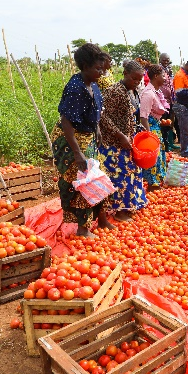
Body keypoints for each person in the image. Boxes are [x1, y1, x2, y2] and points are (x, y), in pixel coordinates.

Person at [51, 43, 114, 237]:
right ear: (85, 66)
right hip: (72, 140)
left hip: (88, 136)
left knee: (100, 177)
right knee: (84, 182)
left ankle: (102, 220)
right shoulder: (75, 88)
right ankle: (83, 228)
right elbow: (66, 121)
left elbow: (93, 111)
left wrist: (97, 130)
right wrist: (77, 153)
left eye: (102, 68)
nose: (101, 72)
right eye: (98, 68)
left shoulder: (92, 83)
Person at [99, 60, 148, 222]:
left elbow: (127, 115)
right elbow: (103, 116)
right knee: (120, 176)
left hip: (126, 141)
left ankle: (128, 206)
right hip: (113, 144)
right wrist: (120, 135)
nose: (136, 83)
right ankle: (119, 211)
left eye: (139, 80)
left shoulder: (129, 91)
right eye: (134, 79)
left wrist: (136, 129)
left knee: (130, 174)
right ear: (125, 74)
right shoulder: (115, 91)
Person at [139, 64, 169, 191]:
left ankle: (156, 181)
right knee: (152, 155)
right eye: (163, 75)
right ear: (156, 76)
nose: (165, 78)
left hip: (155, 126)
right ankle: (152, 184)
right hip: (150, 128)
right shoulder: (148, 93)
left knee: (158, 155)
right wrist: (148, 134)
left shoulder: (157, 92)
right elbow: (143, 116)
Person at [158, 53, 179, 151]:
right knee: (163, 123)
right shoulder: (158, 70)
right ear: (160, 60)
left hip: (170, 101)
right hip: (161, 101)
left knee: (169, 123)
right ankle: (164, 145)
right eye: (164, 60)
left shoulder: (169, 70)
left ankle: (168, 144)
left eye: (167, 60)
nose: (166, 62)